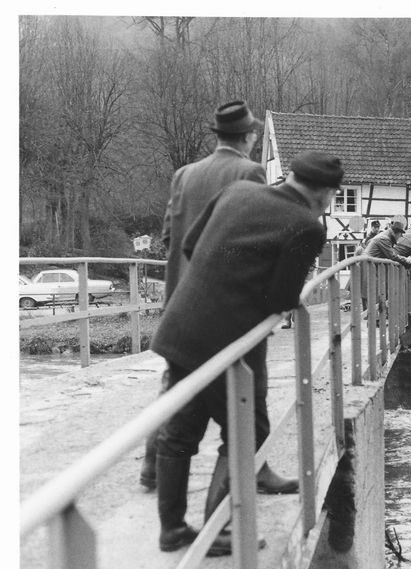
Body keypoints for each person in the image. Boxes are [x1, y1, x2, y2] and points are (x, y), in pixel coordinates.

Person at [150, 150, 343, 555]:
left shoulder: (237, 190)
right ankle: (218, 530)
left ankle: (172, 530)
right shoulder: (306, 226)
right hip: (225, 343)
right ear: (326, 195)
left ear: (289, 176)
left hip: (180, 326)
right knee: (246, 432)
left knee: (181, 432)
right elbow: (282, 297)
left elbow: (188, 245)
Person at [142, 100, 296, 498]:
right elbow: (256, 236)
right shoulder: (249, 171)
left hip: (180, 299)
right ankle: (255, 470)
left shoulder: (183, 174)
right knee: (252, 386)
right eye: (255, 136)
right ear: (247, 137)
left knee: (177, 387)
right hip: (226, 302)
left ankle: (151, 468)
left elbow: (167, 237)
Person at [360, 221, 411, 310]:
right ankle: (374, 320)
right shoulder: (384, 238)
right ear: (395, 233)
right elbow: (392, 255)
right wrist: (406, 259)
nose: (400, 237)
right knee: (374, 294)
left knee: (374, 294)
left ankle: (375, 319)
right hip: (368, 266)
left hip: (371, 266)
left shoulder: (386, 236)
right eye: (400, 234)